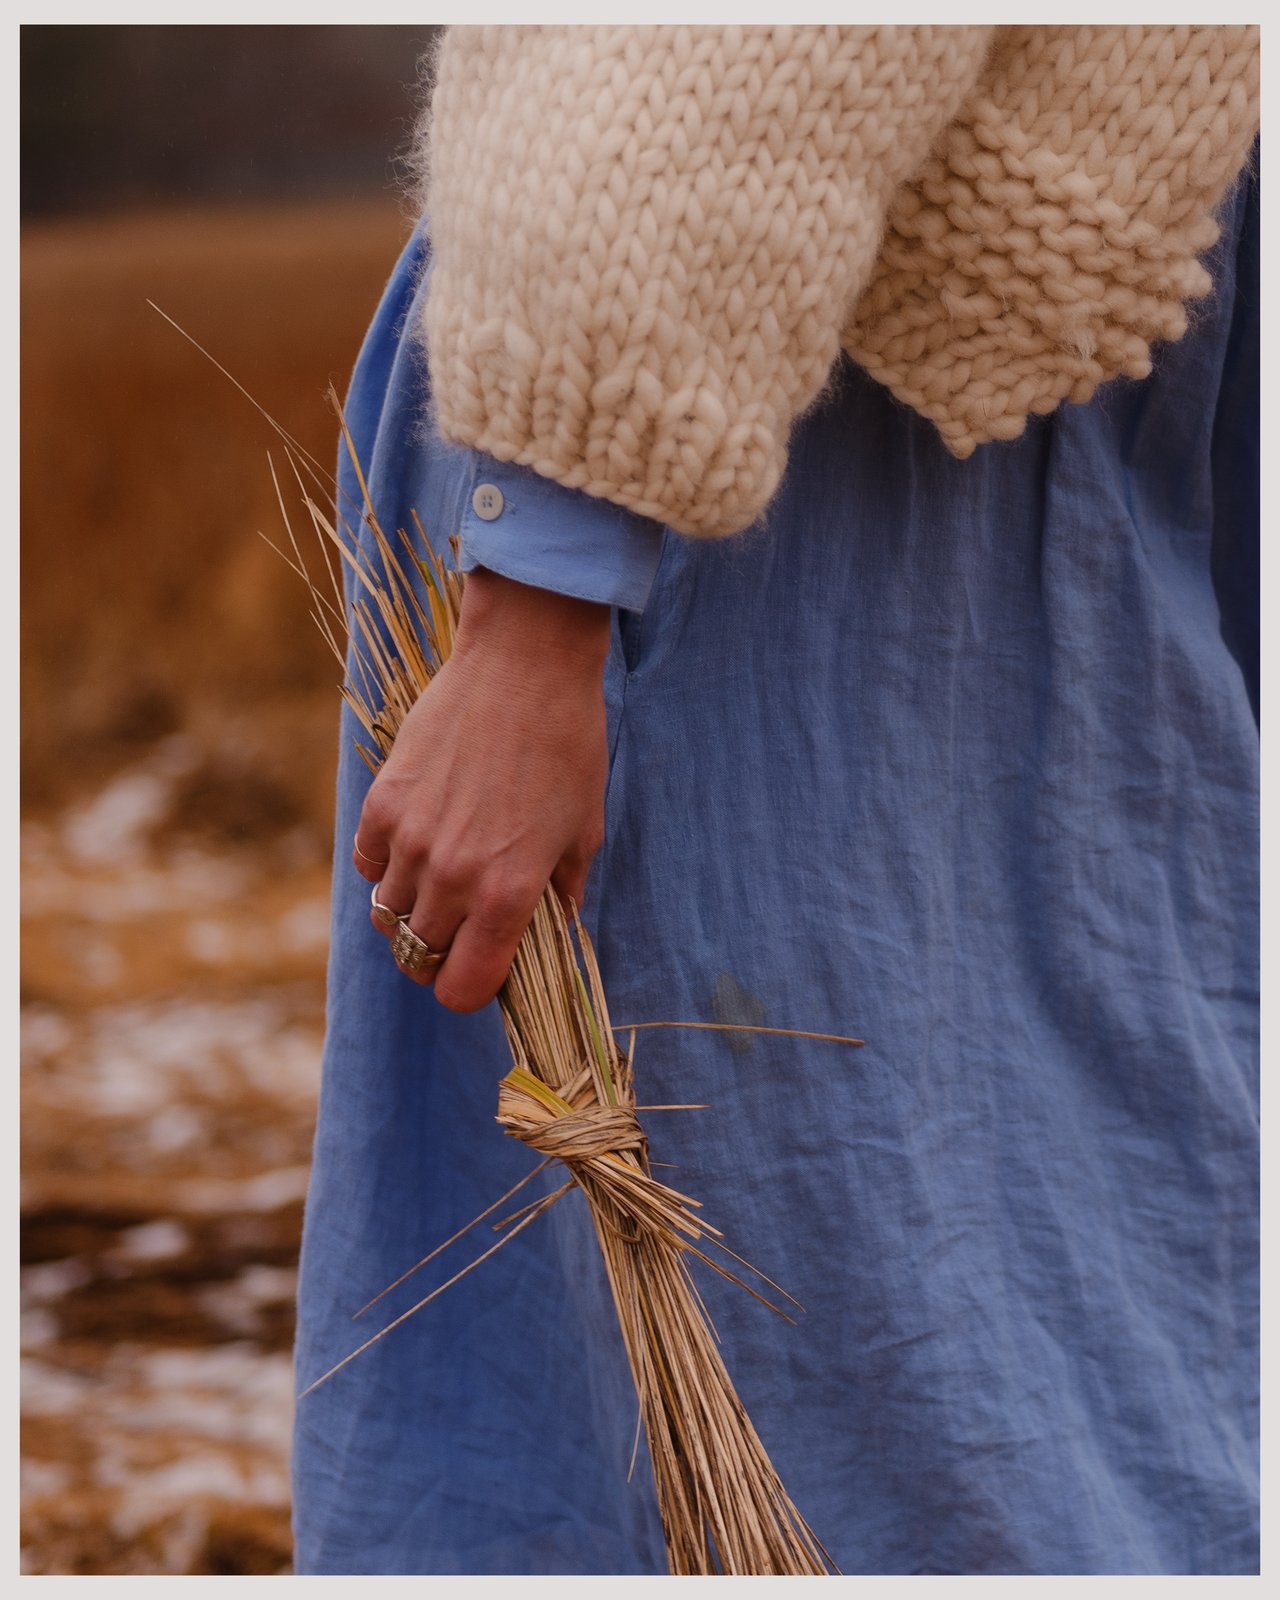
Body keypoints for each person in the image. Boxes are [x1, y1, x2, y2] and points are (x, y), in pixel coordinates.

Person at [291, 25, 1260, 1574]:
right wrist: (549, 576)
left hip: (901, 434)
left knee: (974, 1315)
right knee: (885, 1308)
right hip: (724, 393)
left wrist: (548, 588)